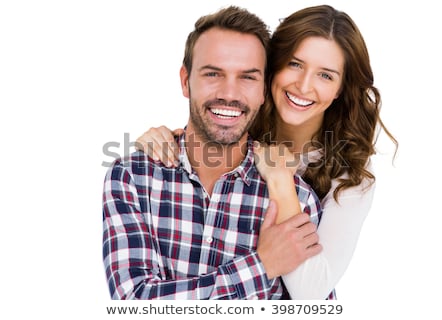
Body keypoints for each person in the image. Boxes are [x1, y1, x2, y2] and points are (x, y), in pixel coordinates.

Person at [136, 5, 398, 299]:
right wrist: (160, 140)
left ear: (340, 88)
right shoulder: (240, 120)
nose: (303, 85)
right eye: (295, 65)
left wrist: (281, 183)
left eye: (326, 75)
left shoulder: (351, 177)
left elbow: (311, 293)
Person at [102, 6, 323, 300]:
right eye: (213, 73)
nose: (229, 94)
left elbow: (316, 308)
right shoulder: (133, 177)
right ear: (185, 81)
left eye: (247, 77)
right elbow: (134, 302)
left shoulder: (296, 199)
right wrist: (262, 265)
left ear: (263, 91)